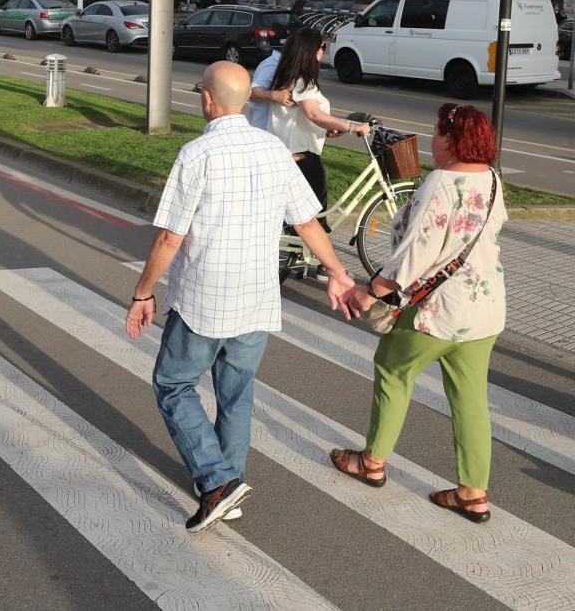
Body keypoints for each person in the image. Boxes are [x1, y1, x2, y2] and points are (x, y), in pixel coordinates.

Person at [126, 61, 356, 533]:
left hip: (205, 300)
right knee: (236, 394)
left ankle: (216, 482)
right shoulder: (274, 150)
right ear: (246, 98)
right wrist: (336, 272)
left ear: (208, 100)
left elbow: (171, 238)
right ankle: (229, 482)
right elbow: (307, 222)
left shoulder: (197, 154)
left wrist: (143, 293)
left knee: (173, 385)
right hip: (257, 297)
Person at [331, 104, 506, 523]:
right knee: (470, 400)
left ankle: (371, 464)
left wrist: (371, 292)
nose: (431, 140)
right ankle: (472, 493)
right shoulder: (493, 179)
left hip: (438, 311)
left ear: (448, 140)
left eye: (435, 133)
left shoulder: (441, 182)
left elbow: (416, 254)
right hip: (485, 310)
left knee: (393, 371)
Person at [267, 27, 371, 230]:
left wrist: (328, 129)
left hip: (288, 152)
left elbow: (303, 119)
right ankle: (313, 257)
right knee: (315, 216)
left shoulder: (288, 77)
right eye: (323, 46)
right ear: (312, 51)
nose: (324, 50)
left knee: (302, 214)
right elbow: (313, 114)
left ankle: (304, 254)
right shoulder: (303, 81)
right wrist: (351, 126)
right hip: (301, 156)